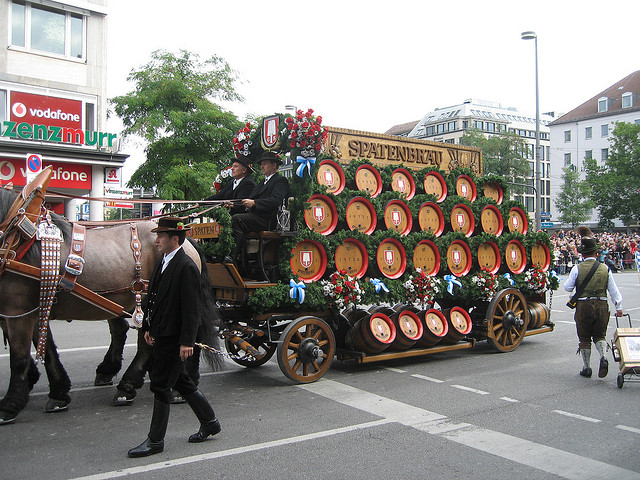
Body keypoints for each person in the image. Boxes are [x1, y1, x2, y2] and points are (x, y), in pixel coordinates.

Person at [128, 217, 220, 458]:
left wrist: (187, 341)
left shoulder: (186, 267)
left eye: (161, 236)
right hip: (161, 332)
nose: (156, 240)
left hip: (174, 336)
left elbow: (192, 309)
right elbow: (154, 298)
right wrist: (148, 327)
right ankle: (210, 422)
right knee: (180, 381)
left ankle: (155, 441)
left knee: (160, 384)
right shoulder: (164, 261)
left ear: (175, 239)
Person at [564, 226, 623, 379]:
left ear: (582, 254)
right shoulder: (605, 268)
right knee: (600, 335)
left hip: (584, 306)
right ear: (596, 253)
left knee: (584, 338)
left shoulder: (577, 268)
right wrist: (619, 307)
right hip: (602, 305)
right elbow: (614, 290)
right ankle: (603, 357)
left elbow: (567, 287)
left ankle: (587, 367)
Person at [230, 151, 289, 258]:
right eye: (261, 164)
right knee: (230, 219)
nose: (262, 166)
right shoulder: (262, 183)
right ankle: (241, 256)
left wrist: (254, 203)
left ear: (274, 165)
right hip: (257, 217)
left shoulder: (280, 181)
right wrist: (233, 205)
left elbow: (275, 200)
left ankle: (233, 256)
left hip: (268, 219)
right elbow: (249, 199)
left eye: (265, 164)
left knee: (237, 219)